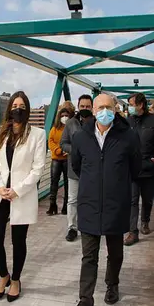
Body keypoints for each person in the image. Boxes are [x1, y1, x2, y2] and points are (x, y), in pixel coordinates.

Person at [67, 94, 141, 306]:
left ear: (116, 109)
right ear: (94, 110)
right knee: (89, 256)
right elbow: (78, 166)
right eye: (100, 107)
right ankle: (85, 301)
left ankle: (112, 285)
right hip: (89, 204)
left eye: (109, 107)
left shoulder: (128, 136)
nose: (104, 111)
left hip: (115, 204)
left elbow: (135, 168)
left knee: (115, 252)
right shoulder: (81, 137)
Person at [0, 91, 46, 303]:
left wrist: (16, 190)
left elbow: (38, 168)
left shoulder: (37, 134)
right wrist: (0, 188)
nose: (18, 109)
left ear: (26, 110)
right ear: (9, 108)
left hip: (21, 195)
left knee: (19, 241)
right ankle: (3, 275)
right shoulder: (0, 132)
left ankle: (16, 280)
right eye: (15, 105)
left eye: (22, 106)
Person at [125, 93, 154, 246]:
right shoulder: (127, 121)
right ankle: (133, 232)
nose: (130, 107)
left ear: (141, 105)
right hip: (131, 168)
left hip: (149, 166)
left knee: (147, 199)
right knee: (132, 200)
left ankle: (145, 221)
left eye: (132, 104)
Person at [60, 94, 93, 242]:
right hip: (74, 168)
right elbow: (63, 143)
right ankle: (72, 228)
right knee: (72, 199)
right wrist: (76, 149)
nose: (85, 109)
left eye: (88, 106)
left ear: (92, 107)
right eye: (82, 106)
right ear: (78, 107)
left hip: (93, 168)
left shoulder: (97, 122)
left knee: (91, 198)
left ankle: (89, 226)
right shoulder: (71, 123)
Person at [46, 102, 75, 215]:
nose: (64, 118)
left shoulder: (71, 128)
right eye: (62, 116)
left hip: (67, 159)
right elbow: (50, 141)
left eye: (66, 116)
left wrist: (65, 150)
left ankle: (65, 207)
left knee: (68, 183)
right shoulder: (54, 128)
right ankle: (52, 205)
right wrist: (59, 150)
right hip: (56, 159)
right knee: (54, 182)